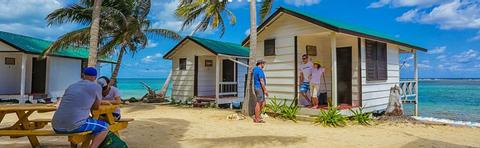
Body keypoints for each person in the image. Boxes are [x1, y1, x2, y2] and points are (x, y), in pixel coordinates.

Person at [52, 67, 108, 148]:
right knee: (105, 127)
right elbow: (96, 107)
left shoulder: (71, 86)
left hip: (56, 126)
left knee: (76, 119)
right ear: (95, 77)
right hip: (73, 126)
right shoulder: (96, 87)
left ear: (83, 75)